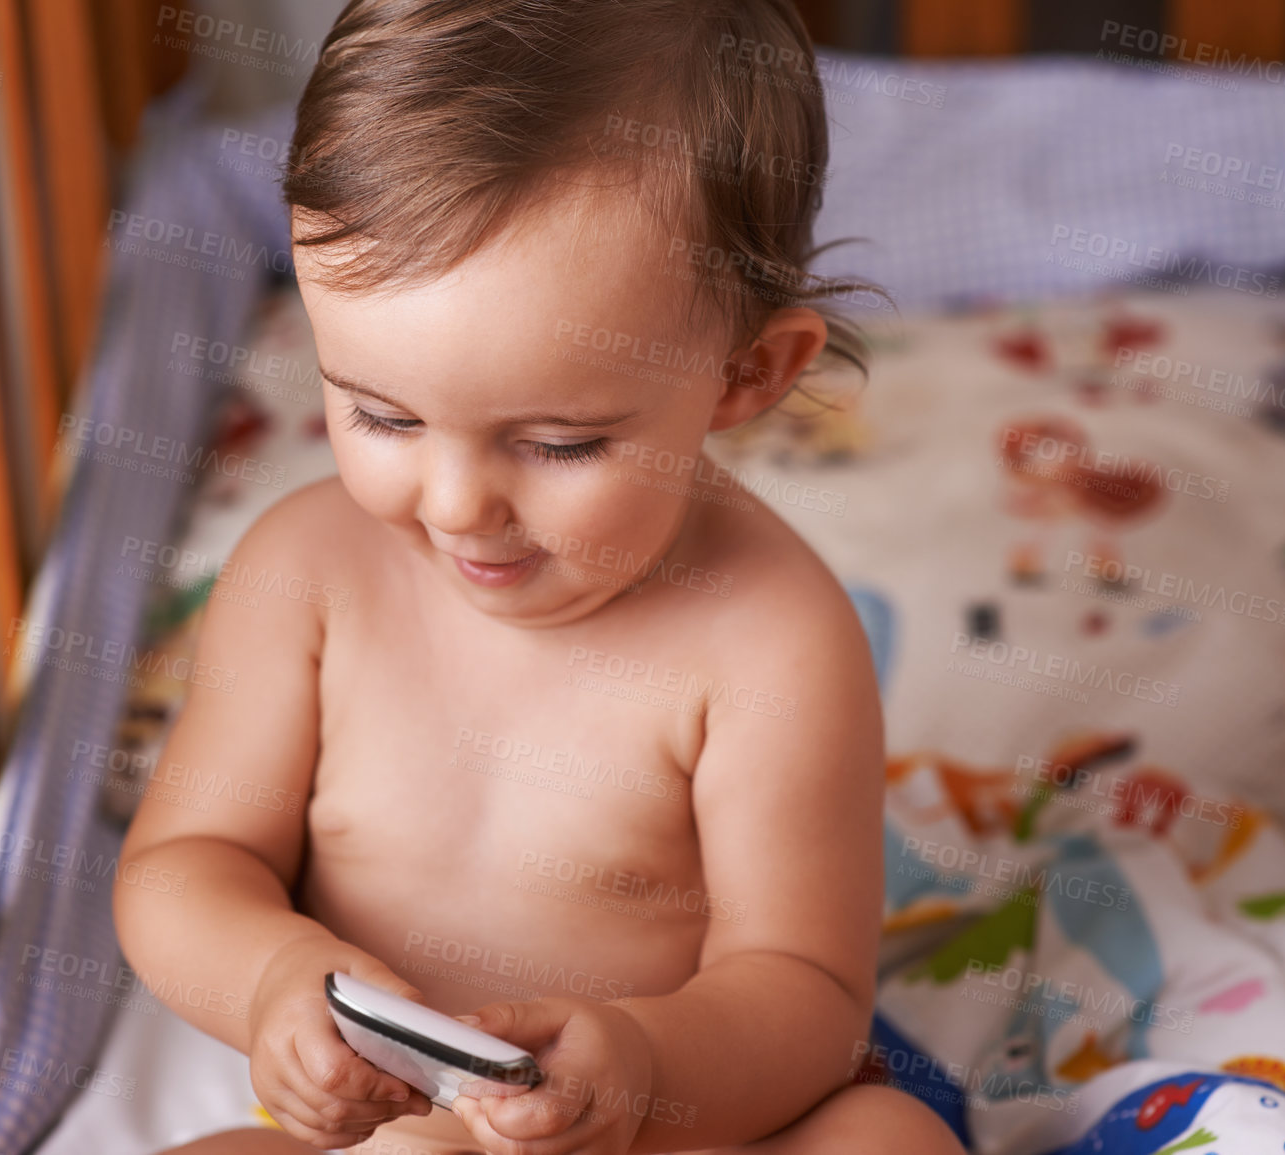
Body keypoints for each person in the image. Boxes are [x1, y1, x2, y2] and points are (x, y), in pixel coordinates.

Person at [114, 2, 963, 1151]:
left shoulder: (772, 641)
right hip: (385, 1130)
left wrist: (646, 1069)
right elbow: (183, 867)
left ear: (746, 373)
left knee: (890, 1140)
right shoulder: (304, 575)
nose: (458, 504)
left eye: (559, 443)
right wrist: (275, 979)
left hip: (672, 1126)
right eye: (382, 414)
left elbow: (805, 990)